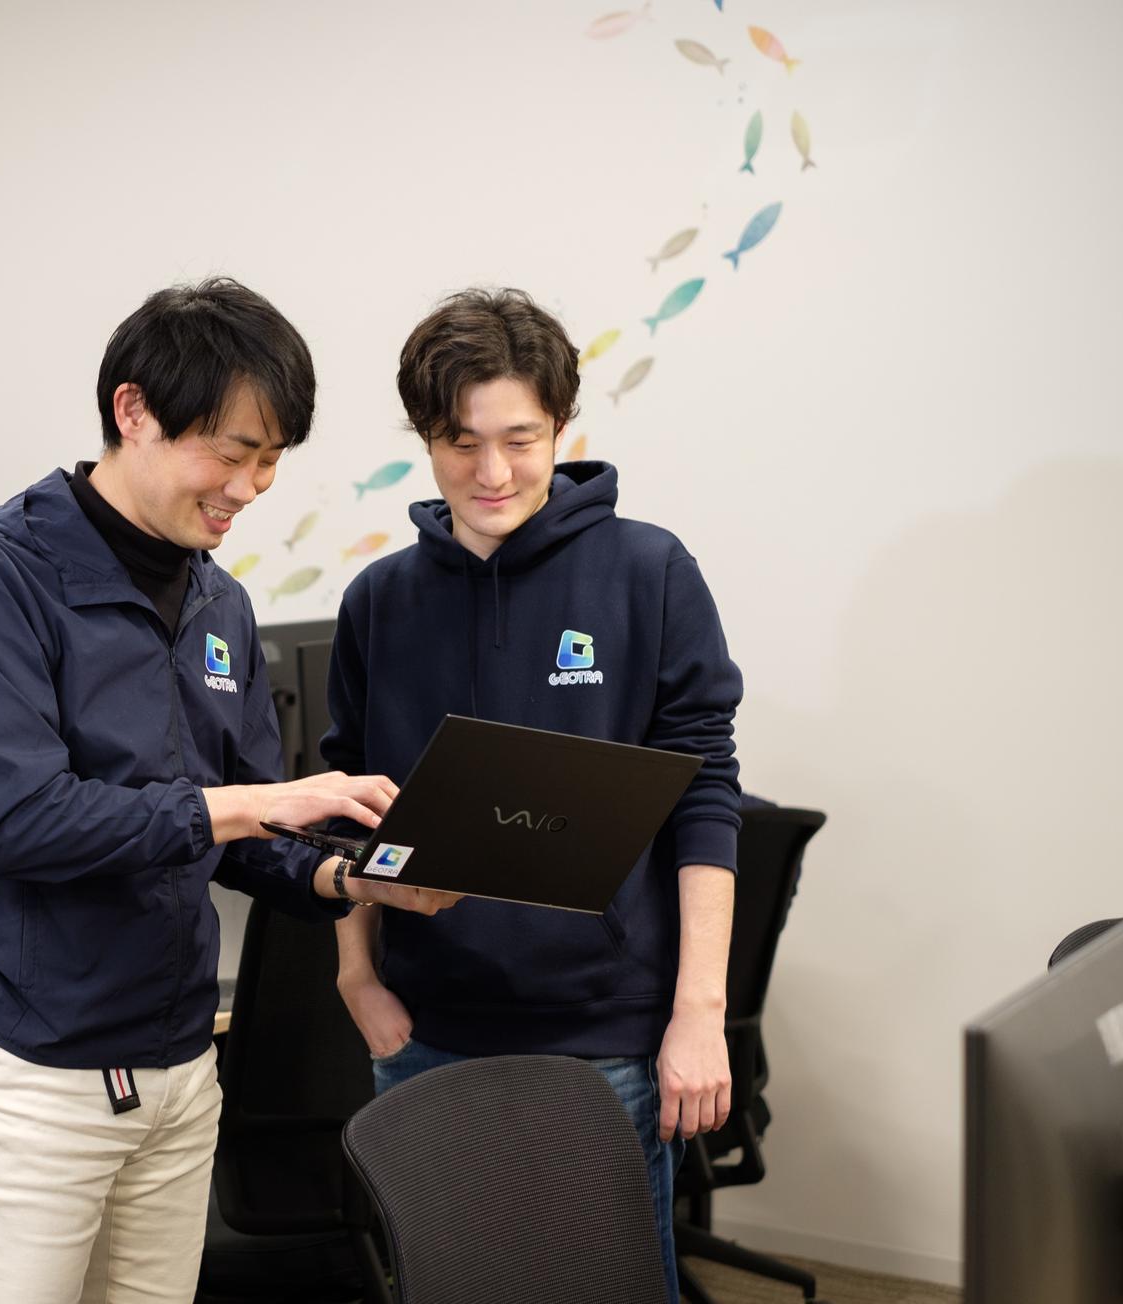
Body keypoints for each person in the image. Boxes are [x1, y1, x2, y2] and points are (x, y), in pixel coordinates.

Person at [0, 277, 457, 1304]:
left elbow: (248, 835)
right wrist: (253, 805)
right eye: (231, 452)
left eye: (271, 458)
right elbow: (18, 820)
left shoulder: (219, 603)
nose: (249, 486)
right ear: (133, 412)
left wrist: (355, 879)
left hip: (177, 1059)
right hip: (35, 1062)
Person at [325, 288, 743, 1303]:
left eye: (519, 440)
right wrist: (357, 978)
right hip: (427, 1032)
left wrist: (698, 1012)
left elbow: (704, 795)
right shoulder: (379, 601)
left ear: (562, 427)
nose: (492, 472)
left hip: (602, 1035)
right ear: (426, 439)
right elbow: (346, 801)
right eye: (460, 443)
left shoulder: (648, 571)